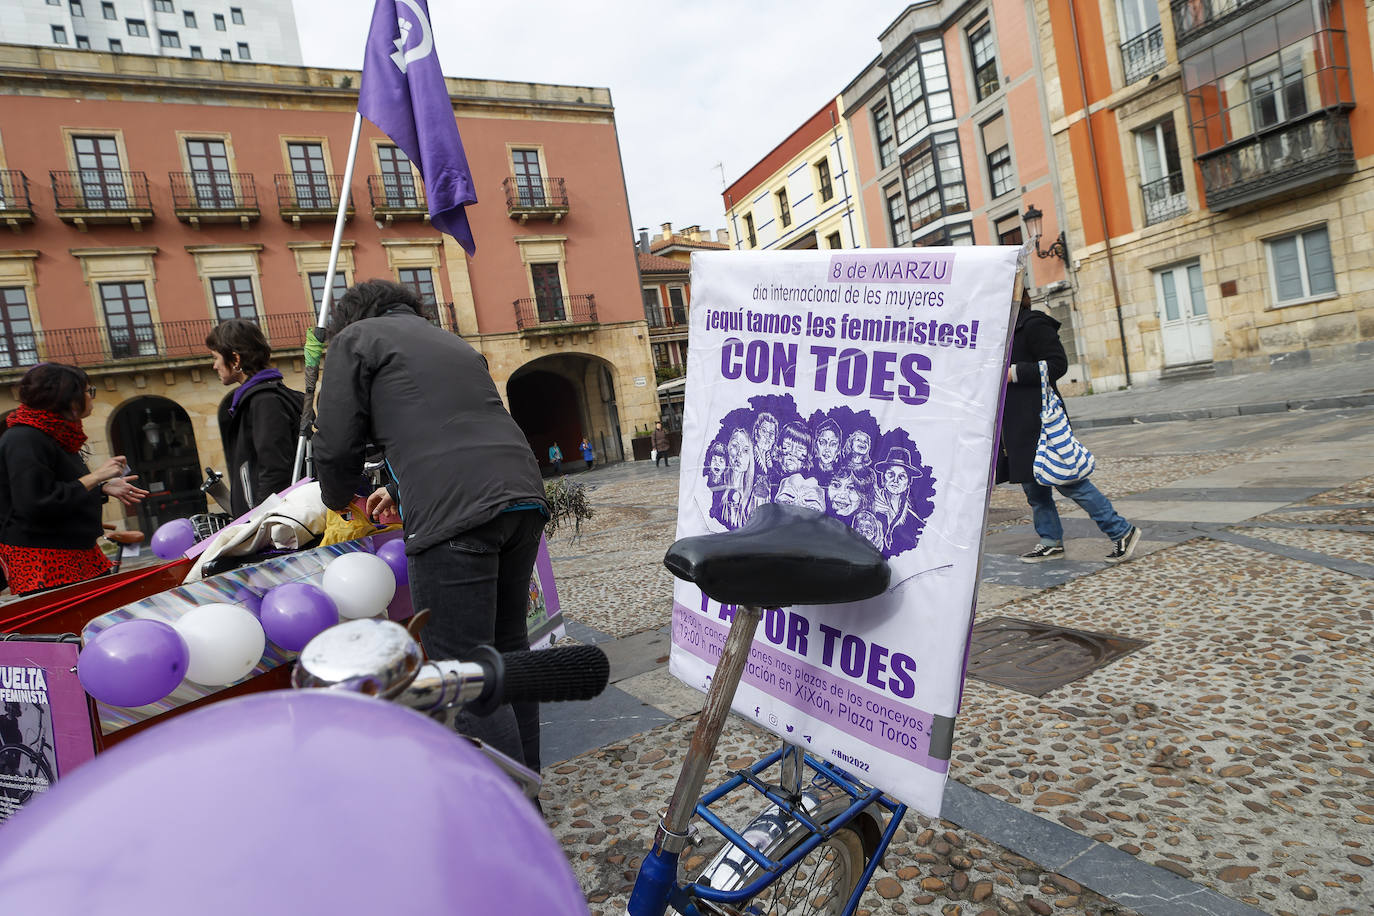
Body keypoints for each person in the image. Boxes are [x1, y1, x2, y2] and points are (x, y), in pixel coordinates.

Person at [313, 279, 549, 772]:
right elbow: (449, 426)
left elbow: (336, 446)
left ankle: (507, 813)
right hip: (522, 497)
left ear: (350, 317)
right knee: (508, 650)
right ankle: (528, 794)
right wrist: (397, 488)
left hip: (455, 513)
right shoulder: (452, 343)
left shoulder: (354, 341)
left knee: (462, 668)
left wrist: (336, 501)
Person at [998, 290, 1140, 563]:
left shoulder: (1034, 324)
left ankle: (1122, 531)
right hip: (1016, 426)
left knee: (1070, 482)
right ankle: (1050, 541)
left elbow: (1058, 364)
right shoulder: (1000, 333)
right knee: (1034, 490)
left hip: (1040, 420)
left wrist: (1014, 373)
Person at [0, 363, 147, 595]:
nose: (92, 397)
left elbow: (60, 490)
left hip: (75, 552)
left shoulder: (53, 434)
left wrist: (102, 488)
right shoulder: (24, 438)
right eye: (89, 391)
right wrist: (97, 477)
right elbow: (35, 503)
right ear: (69, 398)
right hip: (45, 560)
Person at [206, 318, 305, 518]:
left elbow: (274, 468)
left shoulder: (264, 401)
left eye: (216, 358)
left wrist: (259, 520)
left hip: (272, 524)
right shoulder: (260, 398)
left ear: (235, 359)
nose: (214, 366)